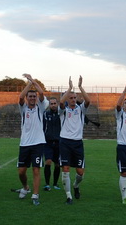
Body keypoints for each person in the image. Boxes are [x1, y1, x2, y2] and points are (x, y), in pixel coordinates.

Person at [16, 73, 49, 206]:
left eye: (34, 96)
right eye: (30, 96)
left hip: (38, 143)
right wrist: (28, 84)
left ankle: (35, 195)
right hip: (24, 143)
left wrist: (33, 81)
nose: (32, 98)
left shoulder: (40, 107)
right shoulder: (23, 108)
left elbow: (41, 93)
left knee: (36, 169)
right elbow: (20, 97)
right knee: (21, 171)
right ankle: (25, 187)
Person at [59, 75, 91, 205]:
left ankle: (76, 186)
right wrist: (69, 88)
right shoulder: (63, 110)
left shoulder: (81, 109)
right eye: (70, 98)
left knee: (80, 172)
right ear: (67, 99)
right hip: (65, 142)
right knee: (65, 169)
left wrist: (80, 87)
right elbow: (60, 102)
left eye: (74, 98)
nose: (72, 100)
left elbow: (88, 101)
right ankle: (68, 196)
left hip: (77, 143)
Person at [43, 97, 61, 191]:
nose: (53, 105)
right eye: (51, 104)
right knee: (48, 161)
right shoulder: (45, 114)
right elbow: (43, 127)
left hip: (58, 143)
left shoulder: (61, 114)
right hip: (48, 143)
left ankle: (55, 184)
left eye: (54, 103)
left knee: (57, 164)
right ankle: (47, 184)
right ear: (49, 105)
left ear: (57, 104)